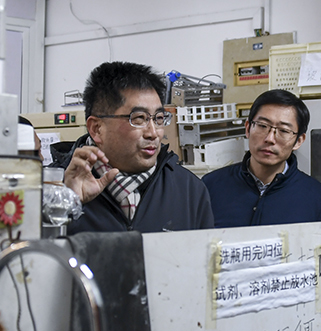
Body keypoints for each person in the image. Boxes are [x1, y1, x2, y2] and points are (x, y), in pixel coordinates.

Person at [61, 61, 214, 233]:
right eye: (139, 118)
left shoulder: (189, 190)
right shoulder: (56, 188)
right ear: (97, 129)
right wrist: (66, 204)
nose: (153, 133)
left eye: (159, 118)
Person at [202, 89, 321, 274]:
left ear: (298, 140)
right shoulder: (210, 186)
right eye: (262, 126)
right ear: (247, 128)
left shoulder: (318, 199)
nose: (269, 139)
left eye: (283, 131)